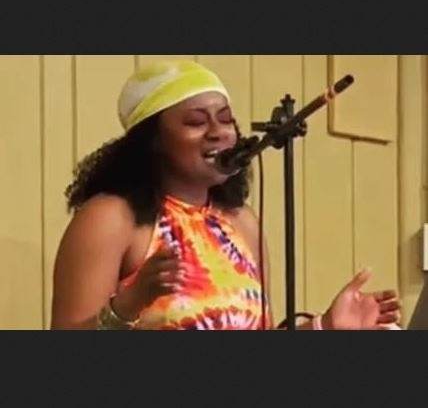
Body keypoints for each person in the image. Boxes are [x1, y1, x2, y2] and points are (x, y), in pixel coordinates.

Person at [50, 60, 401, 330]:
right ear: (152, 141)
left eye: (226, 119)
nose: (218, 132)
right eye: (196, 122)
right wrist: (129, 304)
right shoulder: (110, 217)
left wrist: (326, 326)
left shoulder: (242, 221)